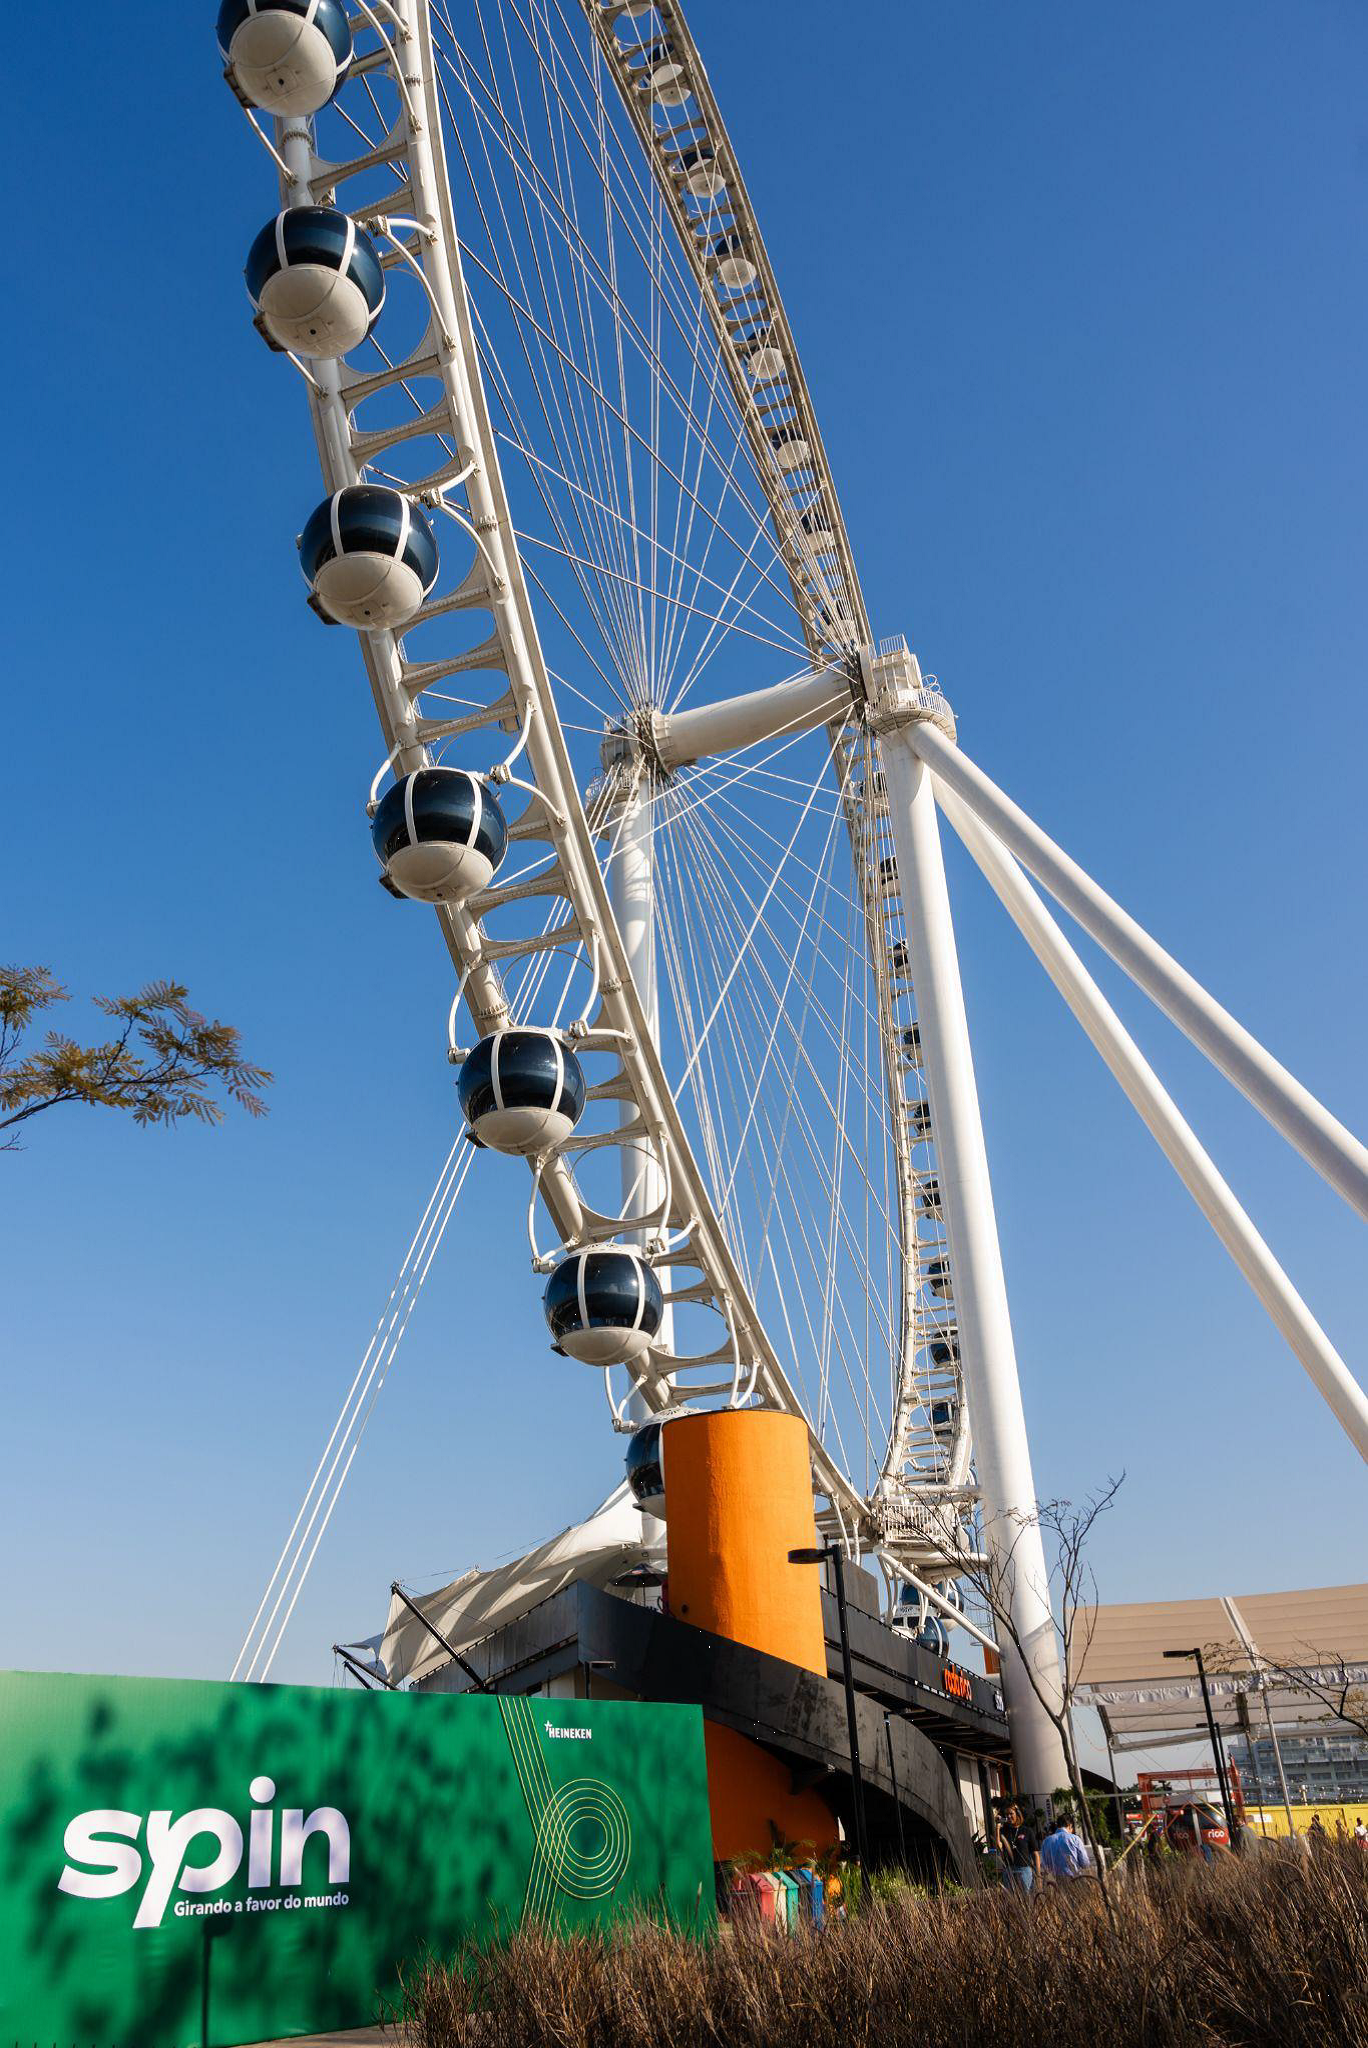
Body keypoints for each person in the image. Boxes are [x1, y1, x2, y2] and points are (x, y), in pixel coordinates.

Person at [995, 1802, 1040, 1895]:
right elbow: (998, 1846)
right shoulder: (1004, 1831)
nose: (1009, 1816)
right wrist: (997, 1827)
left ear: (1017, 1814)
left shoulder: (1027, 1831)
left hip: (1024, 1869)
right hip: (1009, 1870)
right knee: (1011, 1899)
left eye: (1011, 1813)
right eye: (1006, 1814)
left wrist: (1038, 1874)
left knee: (1026, 1898)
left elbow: (1035, 1854)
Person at [1040, 1813, 1093, 1883]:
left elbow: (1044, 1866)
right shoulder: (1075, 1839)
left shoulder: (1046, 1841)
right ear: (1070, 1825)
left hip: (1055, 1881)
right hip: (1075, 1879)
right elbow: (1085, 1863)